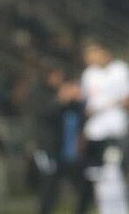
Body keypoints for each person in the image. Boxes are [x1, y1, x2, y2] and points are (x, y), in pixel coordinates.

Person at [80, 41, 129, 214]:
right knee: (97, 175)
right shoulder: (88, 74)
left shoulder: (120, 70)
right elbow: (86, 102)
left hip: (115, 131)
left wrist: (109, 104)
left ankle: (120, 210)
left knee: (113, 172)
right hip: (95, 132)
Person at [36, 67, 89, 214]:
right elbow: (44, 116)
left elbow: (83, 119)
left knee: (83, 188)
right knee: (49, 189)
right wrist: (61, 99)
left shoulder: (74, 104)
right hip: (52, 151)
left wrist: (79, 99)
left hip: (72, 153)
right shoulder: (43, 94)